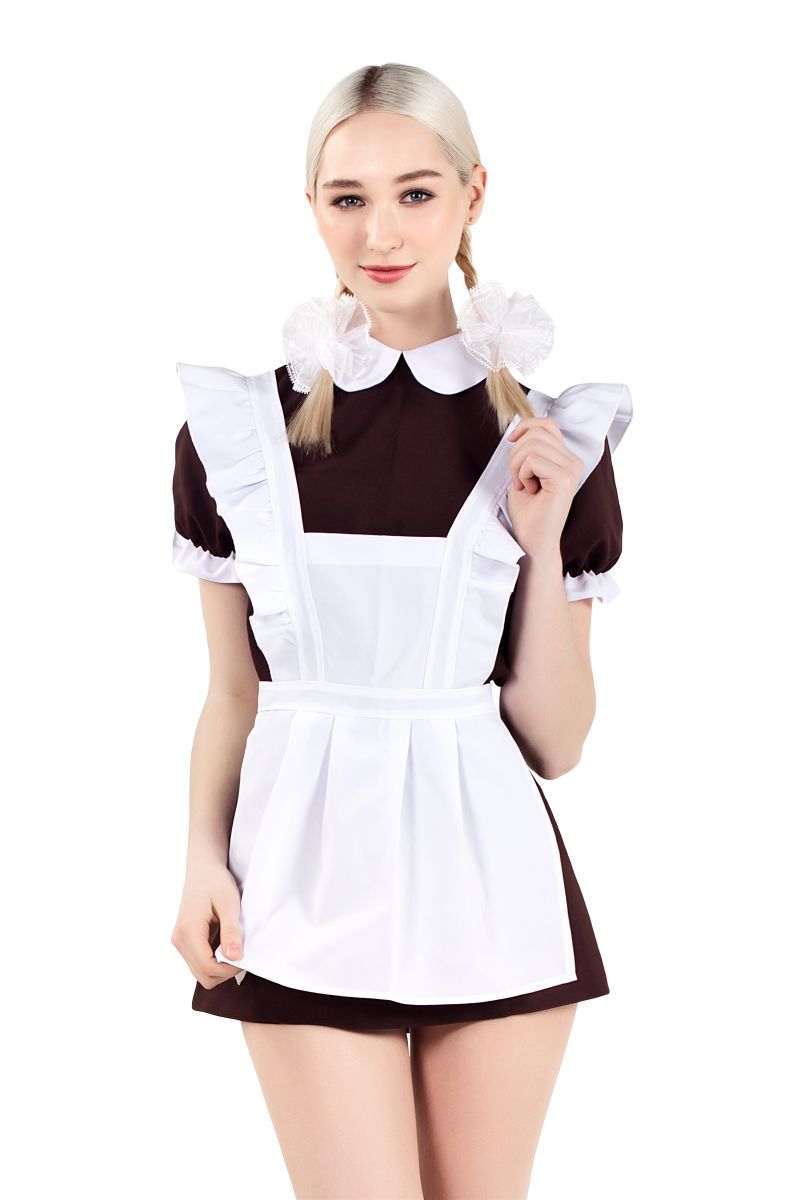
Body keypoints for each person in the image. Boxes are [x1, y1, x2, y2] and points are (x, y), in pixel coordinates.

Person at [170, 62, 633, 1200]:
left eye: (415, 193)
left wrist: (541, 541)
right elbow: (233, 693)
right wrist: (199, 861)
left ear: (473, 194)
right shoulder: (240, 432)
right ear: (312, 207)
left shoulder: (547, 441)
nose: (379, 232)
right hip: (297, 875)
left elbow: (557, 740)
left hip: (491, 877)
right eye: (348, 198)